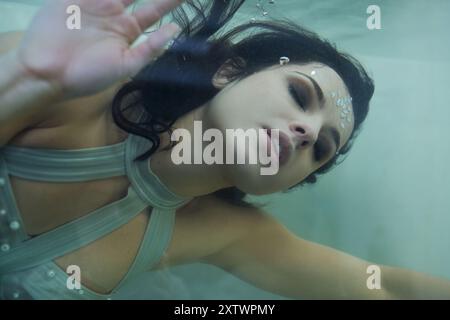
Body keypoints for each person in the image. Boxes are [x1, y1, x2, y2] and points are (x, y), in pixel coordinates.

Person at [0, 0, 449, 300]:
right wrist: (27, 83)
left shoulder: (224, 230)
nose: (308, 132)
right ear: (228, 71)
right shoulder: (71, 83)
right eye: (299, 95)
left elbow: (383, 286)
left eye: (322, 148)